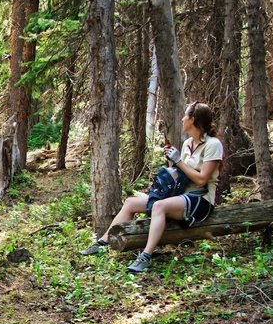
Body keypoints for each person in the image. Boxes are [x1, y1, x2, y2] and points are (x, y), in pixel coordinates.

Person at [79, 101, 224, 272]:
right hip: (180, 195)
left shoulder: (213, 145)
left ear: (192, 119)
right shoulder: (187, 144)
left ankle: (145, 256)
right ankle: (102, 243)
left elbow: (201, 180)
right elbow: (183, 174)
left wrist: (178, 161)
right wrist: (172, 162)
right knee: (131, 202)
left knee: (159, 206)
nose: (182, 118)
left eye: (185, 115)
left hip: (201, 200)